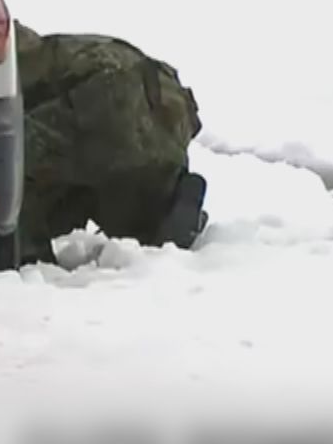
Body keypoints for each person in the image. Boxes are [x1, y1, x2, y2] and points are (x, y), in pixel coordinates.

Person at [13, 22, 210, 264]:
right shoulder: (67, 47)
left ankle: (25, 254)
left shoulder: (0, 52)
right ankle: (166, 202)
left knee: (10, 155)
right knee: (124, 191)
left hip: (112, 102)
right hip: (166, 106)